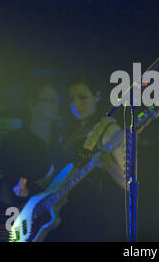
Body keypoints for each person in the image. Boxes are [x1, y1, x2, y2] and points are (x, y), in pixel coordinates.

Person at [46, 72, 125, 241]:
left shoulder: (108, 130)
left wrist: (109, 166)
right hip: (60, 219)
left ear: (97, 96)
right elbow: (55, 174)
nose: (76, 104)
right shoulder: (66, 132)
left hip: (91, 220)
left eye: (82, 97)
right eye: (71, 99)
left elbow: (128, 182)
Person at [0, 78, 61, 207]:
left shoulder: (63, 139)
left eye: (57, 100)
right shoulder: (13, 142)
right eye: (50, 101)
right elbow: (10, 186)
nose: (56, 105)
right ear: (32, 104)